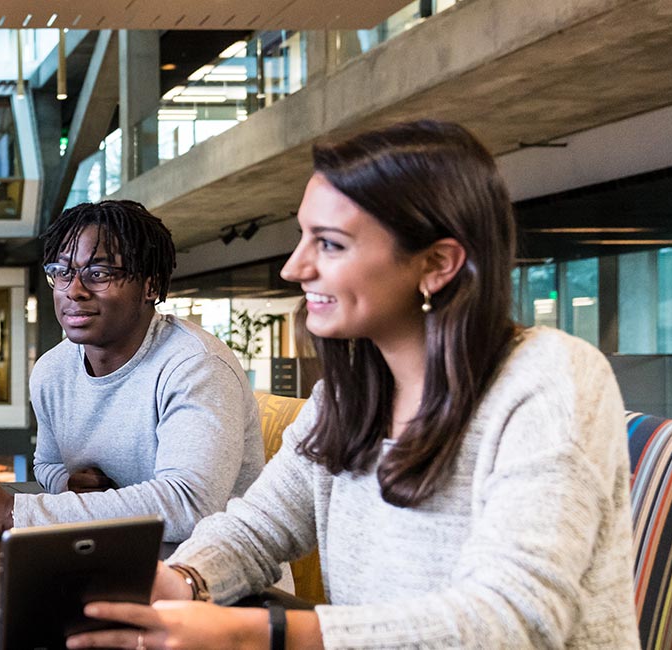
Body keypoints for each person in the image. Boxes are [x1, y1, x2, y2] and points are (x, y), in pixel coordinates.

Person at [67, 121, 637, 649]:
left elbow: (515, 620)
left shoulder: (550, 379)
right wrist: (185, 580)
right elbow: (260, 527)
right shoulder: (349, 394)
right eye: (303, 237)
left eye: (330, 244)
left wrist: (254, 633)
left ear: (438, 263)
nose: (294, 267)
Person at [0, 200, 264, 542]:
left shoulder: (195, 366)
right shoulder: (53, 370)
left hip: (216, 581)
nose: (74, 291)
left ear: (150, 286)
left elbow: (190, 506)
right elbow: (47, 463)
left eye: (99, 274)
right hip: (113, 556)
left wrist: (13, 513)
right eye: (61, 272)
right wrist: (70, 485)